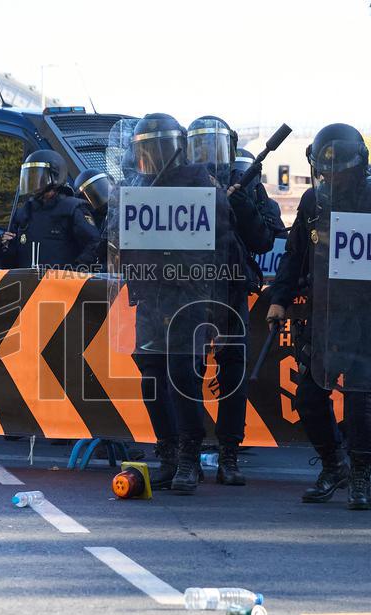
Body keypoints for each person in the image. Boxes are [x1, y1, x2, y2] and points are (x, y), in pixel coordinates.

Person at [267, 123, 371, 510]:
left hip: (367, 315)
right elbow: (295, 254)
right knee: (310, 396)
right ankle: (335, 465)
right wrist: (279, 298)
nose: (333, 177)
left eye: (341, 170)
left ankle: (362, 478)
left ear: (359, 165)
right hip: (325, 313)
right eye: (326, 171)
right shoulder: (314, 202)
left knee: (361, 398)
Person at [114, 113, 238, 494]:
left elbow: (223, 243)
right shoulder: (137, 189)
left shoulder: (202, 186)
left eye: (157, 149)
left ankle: (189, 457)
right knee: (151, 376)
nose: (151, 157)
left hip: (189, 298)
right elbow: (115, 239)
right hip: (150, 297)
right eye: (144, 150)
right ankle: (167, 455)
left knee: (183, 377)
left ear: (176, 148)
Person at [188, 118, 277, 485]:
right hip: (189, 289)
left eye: (215, 145)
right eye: (200, 145)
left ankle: (229, 452)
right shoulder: (183, 181)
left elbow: (263, 241)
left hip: (231, 288)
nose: (208, 154)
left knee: (233, 375)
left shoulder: (245, 184)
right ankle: (186, 452)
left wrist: (239, 202)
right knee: (186, 371)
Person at [0, 150, 100, 270]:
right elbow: (10, 265)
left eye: (37, 176)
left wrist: (74, 273)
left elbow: (94, 244)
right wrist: (4, 247)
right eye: (29, 177)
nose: (33, 182)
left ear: (55, 175)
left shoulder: (72, 209)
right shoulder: (24, 212)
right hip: (28, 284)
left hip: (61, 285)